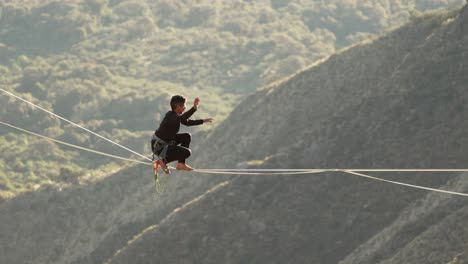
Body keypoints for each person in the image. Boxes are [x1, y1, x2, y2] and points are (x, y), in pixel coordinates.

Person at [151, 95, 213, 173]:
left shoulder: (176, 116)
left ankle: (181, 164)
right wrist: (194, 108)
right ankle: (163, 161)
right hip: (159, 146)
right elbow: (182, 118)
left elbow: (187, 122)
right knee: (187, 152)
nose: (185, 107)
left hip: (165, 143)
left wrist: (202, 121)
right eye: (184, 105)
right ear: (178, 106)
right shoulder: (170, 116)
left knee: (187, 136)